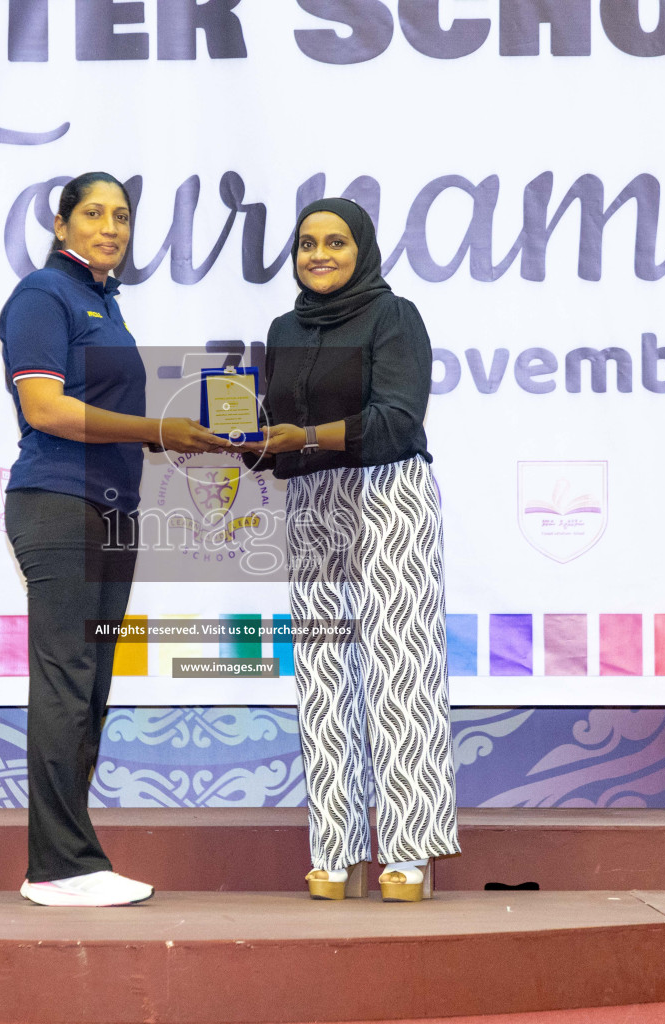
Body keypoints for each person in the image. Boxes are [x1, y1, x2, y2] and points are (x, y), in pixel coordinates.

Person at [0, 172, 224, 907]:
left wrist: (179, 431)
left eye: (121, 215)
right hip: (58, 504)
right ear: (60, 225)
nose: (110, 226)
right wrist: (158, 430)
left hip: (110, 508)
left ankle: (69, 860)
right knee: (66, 680)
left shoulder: (103, 304)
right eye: (93, 213)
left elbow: (114, 414)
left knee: (90, 688)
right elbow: (47, 409)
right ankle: (58, 868)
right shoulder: (43, 295)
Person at [246, 198, 460, 902]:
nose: (319, 255)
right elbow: (280, 431)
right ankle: (334, 847)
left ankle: (408, 848)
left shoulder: (393, 317)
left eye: (335, 242)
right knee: (321, 672)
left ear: (361, 248)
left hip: (387, 493)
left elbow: (398, 419)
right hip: (312, 501)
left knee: (401, 669)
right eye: (306, 244)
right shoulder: (284, 328)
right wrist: (246, 445)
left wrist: (305, 438)